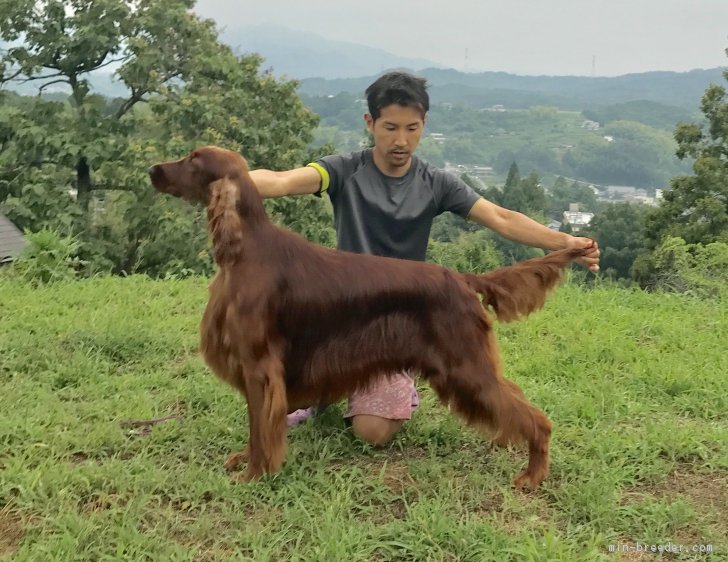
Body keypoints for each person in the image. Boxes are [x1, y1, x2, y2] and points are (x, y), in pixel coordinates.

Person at [248, 71, 600, 447]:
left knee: (372, 433)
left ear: (424, 124)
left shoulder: (436, 183)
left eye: (412, 128)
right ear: (370, 123)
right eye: (390, 128)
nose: (401, 141)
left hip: (400, 325)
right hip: (342, 314)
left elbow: (501, 217)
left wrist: (564, 242)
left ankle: (399, 380)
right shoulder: (343, 170)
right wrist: (223, 179)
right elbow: (281, 181)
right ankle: (322, 391)